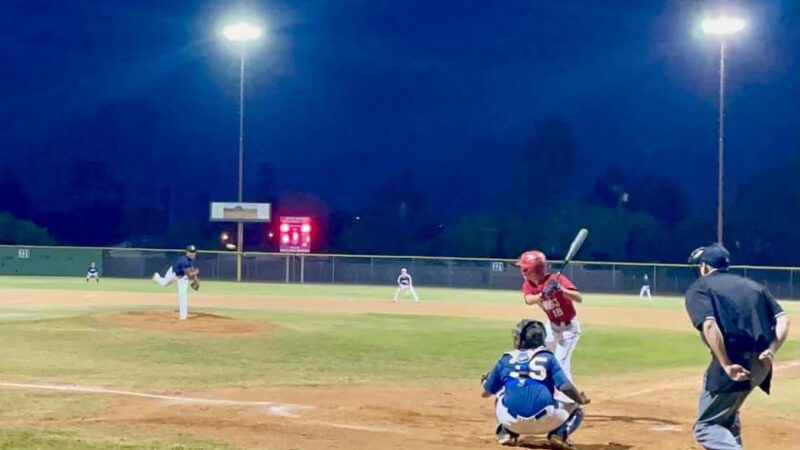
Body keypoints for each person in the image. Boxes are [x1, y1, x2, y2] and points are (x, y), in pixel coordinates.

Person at [686, 243, 790, 450]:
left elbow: (709, 324)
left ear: (705, 267)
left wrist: (726, 364)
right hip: (761, 364)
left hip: (734, 364)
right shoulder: (754, 286)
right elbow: (783, 319)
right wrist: (772, 348)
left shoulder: (700, 287)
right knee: (727, 415)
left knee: (707, 425)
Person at [482, 319, 590, 449]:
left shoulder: (506, 359)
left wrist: (486, 382)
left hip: (511, 421)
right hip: (547, 420)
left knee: (500, 396)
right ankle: (559, 434)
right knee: (577, 406)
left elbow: (485, 393)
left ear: (521, 338)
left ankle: (506, 433)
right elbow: (565, 386)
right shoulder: (547, 357)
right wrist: (580, 399)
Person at [516, 250, 582, 410]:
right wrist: (541, 295)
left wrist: (561, 290)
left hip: (569, 329)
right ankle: (539, 390)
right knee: (538, 356)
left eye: (524, 268)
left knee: (560, 363)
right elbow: (528, 300)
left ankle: (569, 401)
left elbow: (579, 298)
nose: (522, 271)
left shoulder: (556, 280)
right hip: (551, 327)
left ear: (532, 269)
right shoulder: (529, 284)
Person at [152, 245, 199, 320]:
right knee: (164, 283)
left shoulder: (189, 260)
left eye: (193, 252)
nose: (192, 253)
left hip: (182, 277)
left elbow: (191, 269)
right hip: (173, 274)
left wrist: (196, 280)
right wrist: (196, 273)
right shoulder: (184, 261)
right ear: (187, 252)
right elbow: (190, 274)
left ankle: (183, 315)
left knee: (182, 294)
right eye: (190, 252)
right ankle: (156, 277)